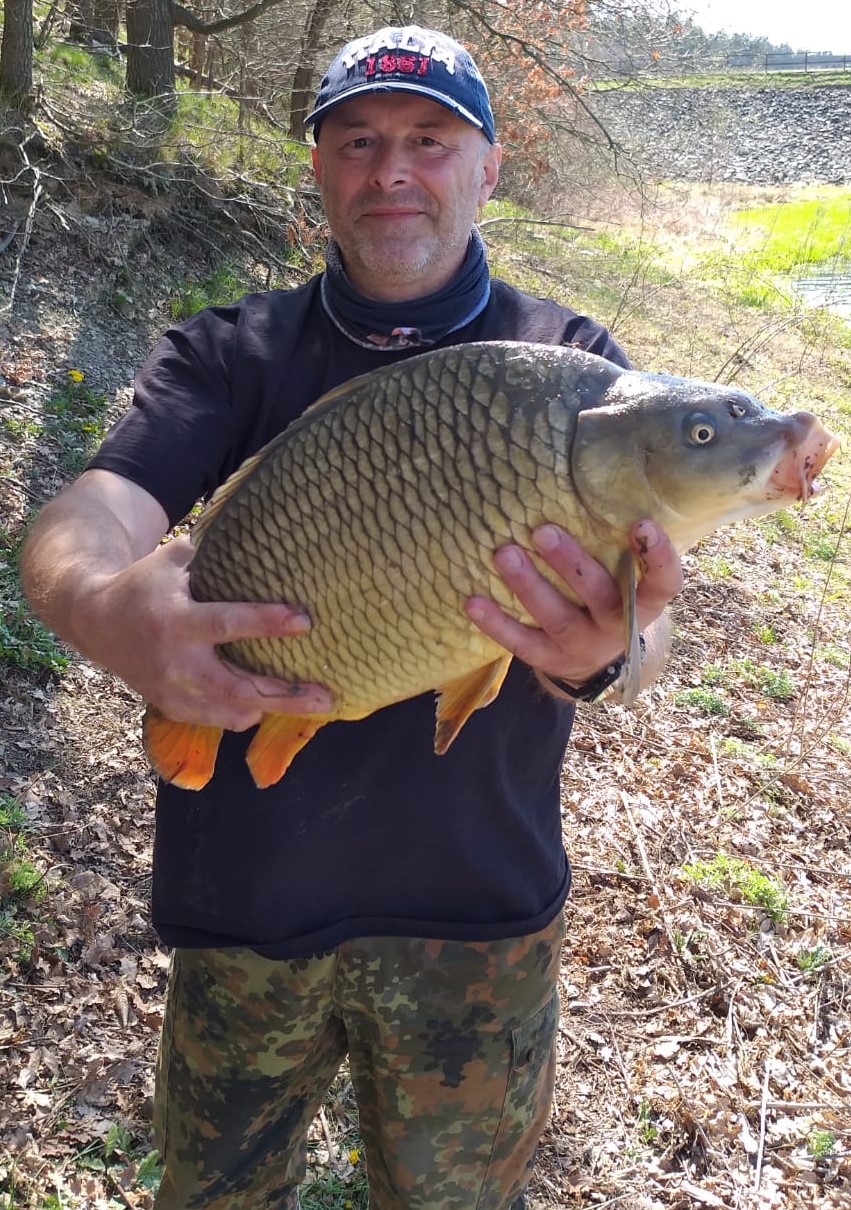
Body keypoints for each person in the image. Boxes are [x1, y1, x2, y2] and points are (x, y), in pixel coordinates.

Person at [20, 25, 683, 1210]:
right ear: (318, 166)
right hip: (243, 907)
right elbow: (85, 518)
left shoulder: (575, 372)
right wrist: (100, 606)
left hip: (476, 921)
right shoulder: (233, 355)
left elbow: (646, 640)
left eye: (430, 141)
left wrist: (608, 656)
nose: (392, 169)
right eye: (359, 139)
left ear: (488, 169)